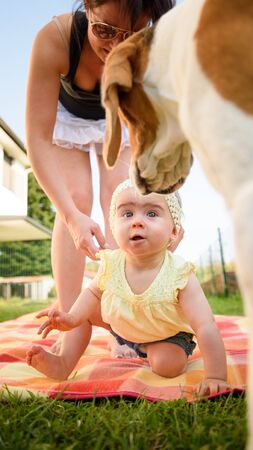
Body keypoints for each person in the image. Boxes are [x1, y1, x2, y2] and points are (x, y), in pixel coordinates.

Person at [25, 0, 175, 356]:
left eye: (133, 35)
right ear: (88, 9)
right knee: (76, 199)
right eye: (104, 30)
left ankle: (124, 321)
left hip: (120, 118)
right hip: (68, 120)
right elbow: (37, 140)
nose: (115, 47)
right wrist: (72, 217)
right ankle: (71, 319)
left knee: (121, 199)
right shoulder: (56, 39)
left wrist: (168, 209)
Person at [26, 179, 229, 396]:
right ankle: (63, 363)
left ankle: (147, 349)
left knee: (167, 366)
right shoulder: (111, 263)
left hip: (165, 333)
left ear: (173, 231)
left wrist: (215, 376)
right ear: (113, 227)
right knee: (83, 312)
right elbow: (92, 292)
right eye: (128, 214)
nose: (137, 222)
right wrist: (72, 318)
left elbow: (206, 325)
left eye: (151, 214)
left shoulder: (179, 273)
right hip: (121, 323)